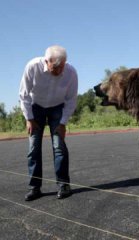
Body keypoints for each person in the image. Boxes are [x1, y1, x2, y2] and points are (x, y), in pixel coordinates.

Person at [19, 45, 78, 201]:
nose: (59, 71)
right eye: (55, 67)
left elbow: (71, 100)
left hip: (57, 108)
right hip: (36, 107)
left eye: (62, 66)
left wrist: (63, 123)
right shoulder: (32, 66)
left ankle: (64, 185)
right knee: (33, 148)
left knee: (59, 146)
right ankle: (34, 187)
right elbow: (24, 95)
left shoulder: (71, 72)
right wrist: (29, 119)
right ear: (46, 61)